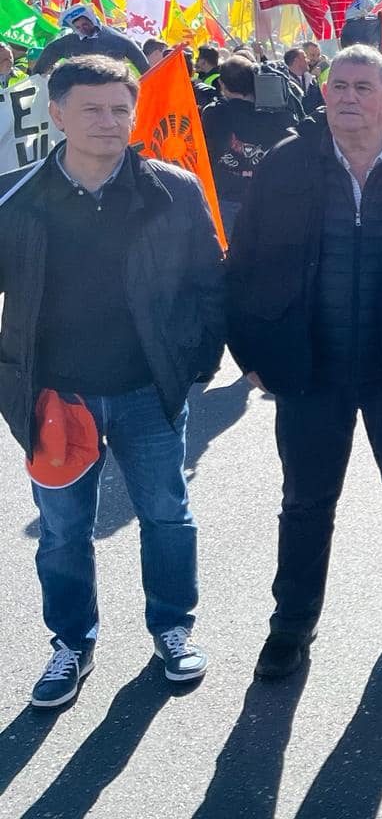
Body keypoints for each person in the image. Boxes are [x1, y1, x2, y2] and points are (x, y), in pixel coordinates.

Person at [0, 55, 224, 707]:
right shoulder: (15, 195)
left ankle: (173, 630)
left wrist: (195, 364)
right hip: (53, 397)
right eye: (91, 108)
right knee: (65, 531)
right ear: (57, 113)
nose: (108, 121)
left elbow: (211, 282)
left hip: (148, 392)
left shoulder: (172, 189)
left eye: (119, 108)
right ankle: (71, 644)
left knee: (167, 516)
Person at [226, 45, 382, 679]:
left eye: (362, 87)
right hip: (309, 369)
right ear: (322, 94)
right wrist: (250, 354)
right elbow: (244, 263)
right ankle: (291, 624)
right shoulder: (286, 165)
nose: (347, 97)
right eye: (337, 86)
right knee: (304, 501)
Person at [201, 56, 297, 238]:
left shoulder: (215, 113)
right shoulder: (276, 114)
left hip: (228, 197)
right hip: (269, 196)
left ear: (222, 84)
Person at [31, 3, 150, 76]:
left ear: (92, 20)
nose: (82, 29)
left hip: (112, 92)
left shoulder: (119, 40)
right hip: (80, 96)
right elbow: (39, 72)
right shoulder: (66, 43)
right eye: (77, 27)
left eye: (85, 25)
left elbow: (146, 71)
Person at [284, 46, 324, 112]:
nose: (308, 61)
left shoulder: (312, 80)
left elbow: (321, 103)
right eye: (305, 57)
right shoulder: (285, 84)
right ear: (296, 61)